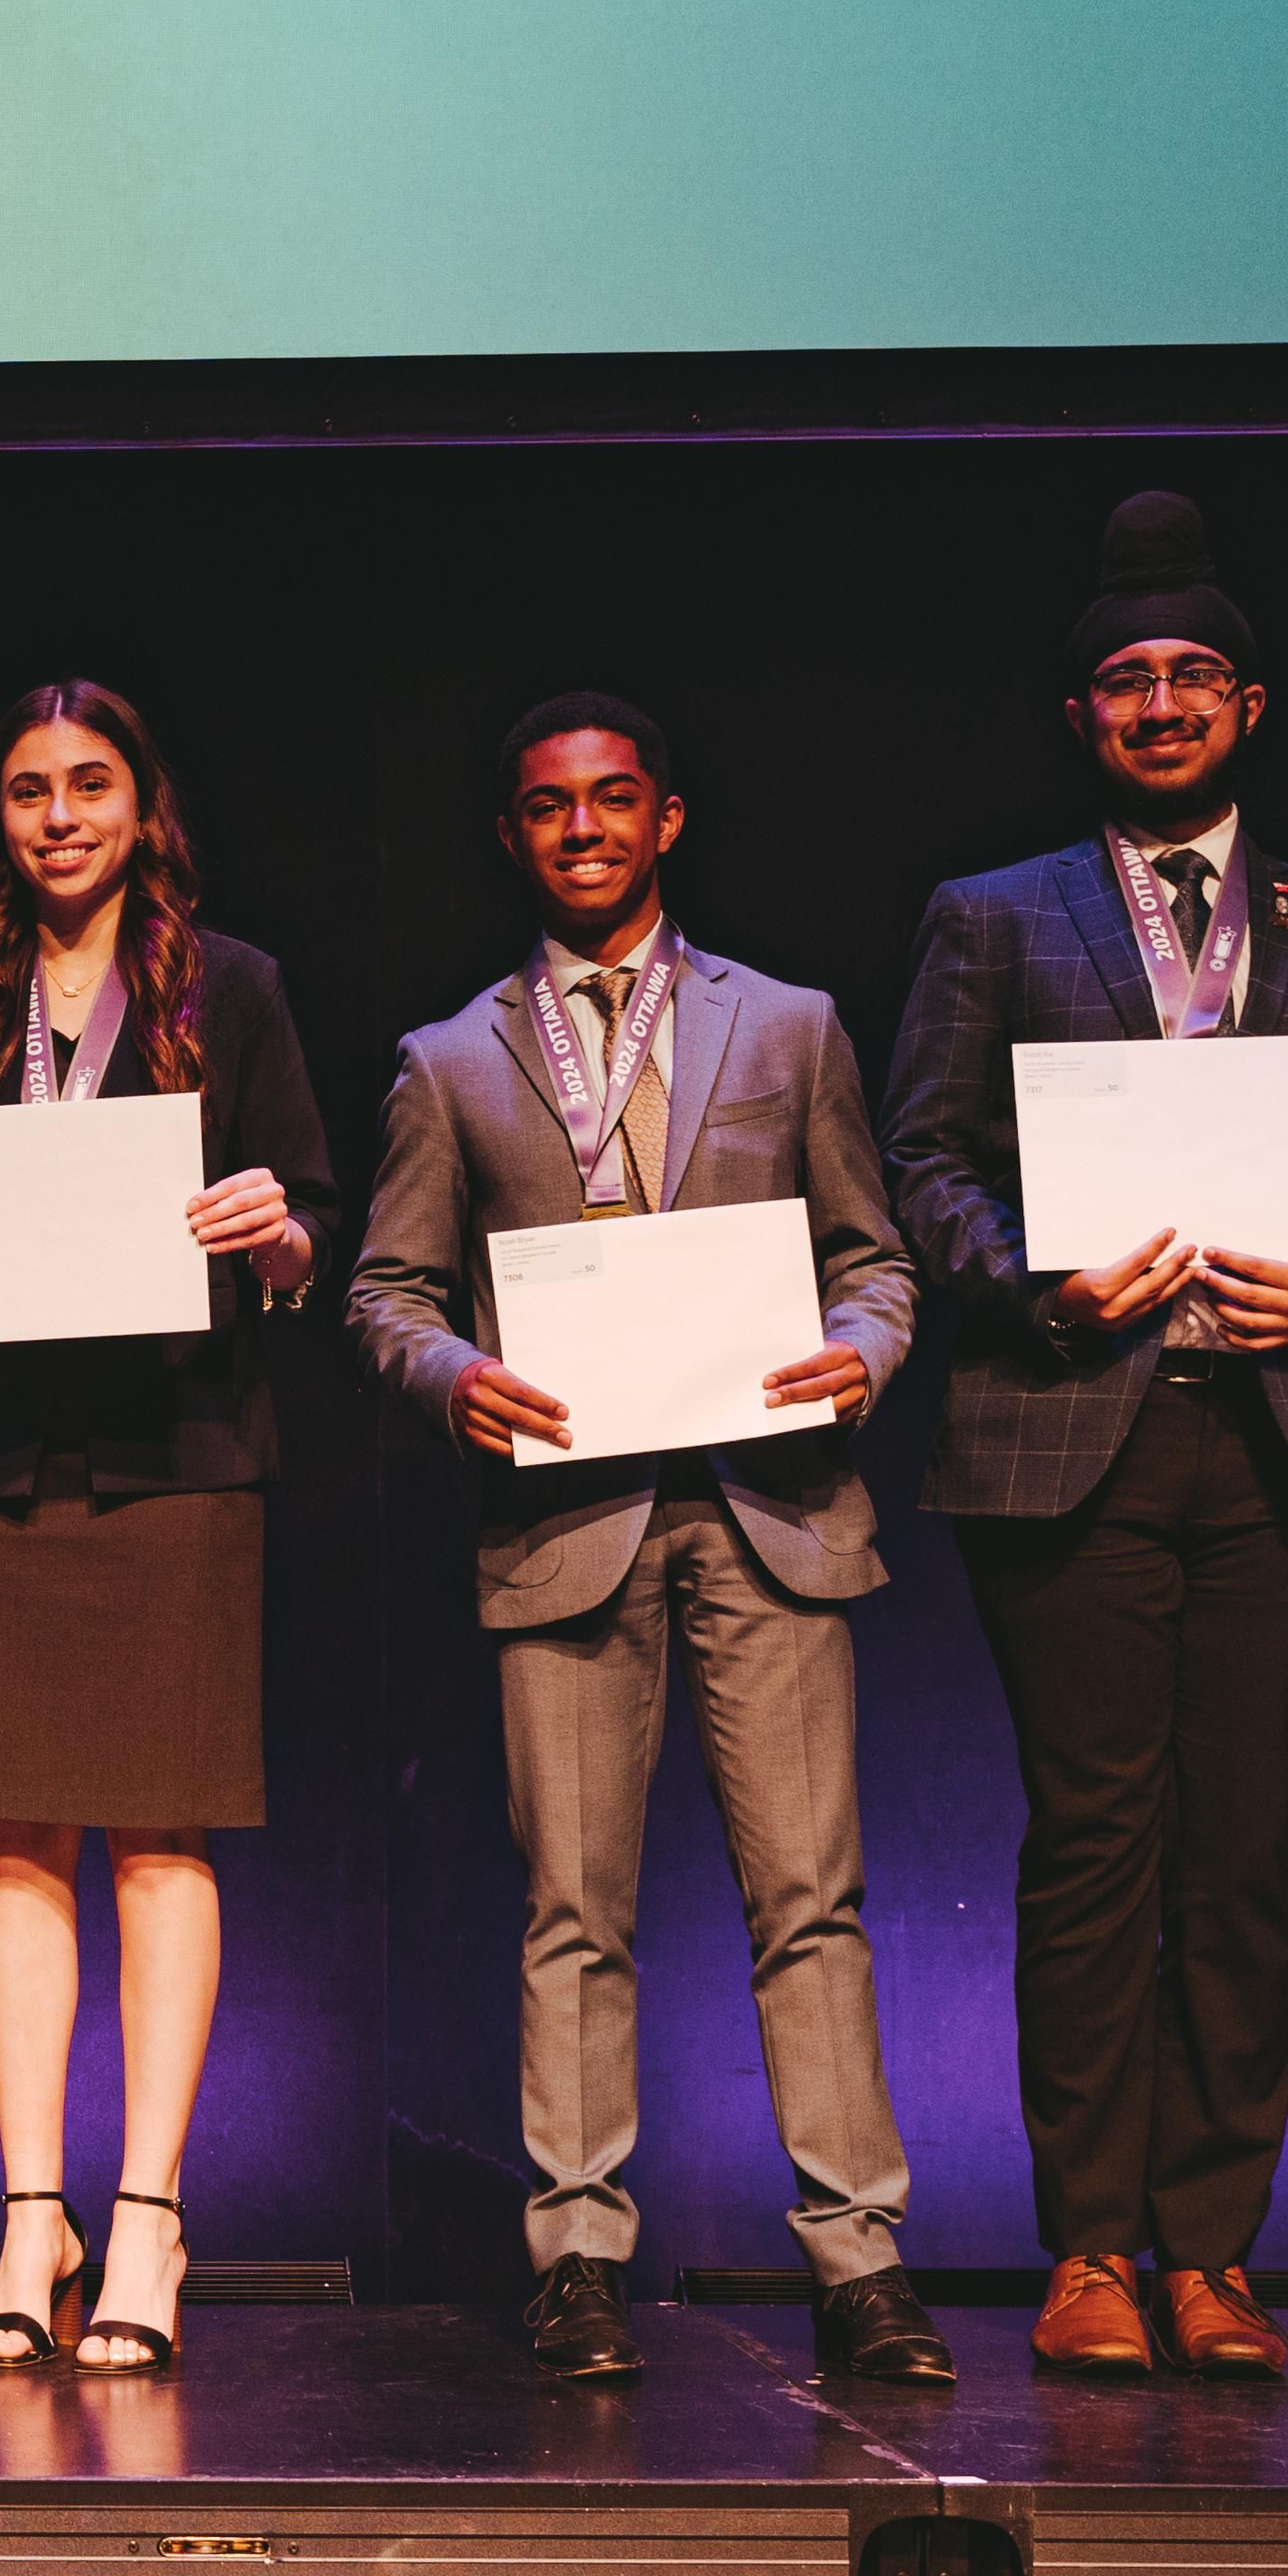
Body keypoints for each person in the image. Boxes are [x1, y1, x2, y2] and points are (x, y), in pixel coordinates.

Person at [882, 495, 1288, 2382]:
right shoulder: (991, 916)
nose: (1155, 704)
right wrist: (1032, 1287)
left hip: (1286, 1436)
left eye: (1187, 674)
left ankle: (1210, 2247)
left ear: (1247, 703)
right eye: (1121, 680)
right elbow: (919, 1162)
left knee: (1242, 1859)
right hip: (1074, 1430)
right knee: (1090, 1847)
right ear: (1078, 719)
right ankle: (1088, 2246)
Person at [352, 697, 946, 2389]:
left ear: (667, 819)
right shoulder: (449, 1061)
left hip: (771, 1511)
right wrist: (449, 1370)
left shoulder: (791, 1025)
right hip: (566, 1520)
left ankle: (857, 2260)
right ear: (513, 837)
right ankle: (578, 2257)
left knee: (808, 1902)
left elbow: (878, 1260)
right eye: (549, 807)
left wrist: (867, 1349)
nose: (584, 829)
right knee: (572, 1909)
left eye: (615, 801)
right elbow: (386, 1290)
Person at [0, 684, 331, 2379]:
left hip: (180, 1454)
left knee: (165, 1834)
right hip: (3, 1463)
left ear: (143, 807)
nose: (59, 815)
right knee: (13, 1837)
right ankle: (28, 2212)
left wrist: (274, 1232)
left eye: (91, 784)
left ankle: (148, 2220)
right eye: (30, 789)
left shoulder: (230, 989)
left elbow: (305, 1230)